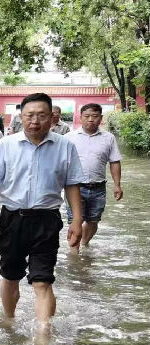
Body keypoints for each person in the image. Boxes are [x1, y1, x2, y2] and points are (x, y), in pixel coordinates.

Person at [0, 93, 85, 326]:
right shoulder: (5, 145)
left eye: (41, 115)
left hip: (47, 220)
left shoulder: (65, 146)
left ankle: (43, 336)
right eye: (29, 115)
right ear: (21, 117)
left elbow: (72, 185)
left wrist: (77, 221)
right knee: (10, 276)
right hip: (12, 218)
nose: (35, 121)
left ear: (51, 117)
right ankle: (9, 322)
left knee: (42, 280)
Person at [64, 103, 124, 247]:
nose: (90, 119)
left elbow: (114, 161)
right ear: (80, 117)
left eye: (94, 116)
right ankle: (74, 254)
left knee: (93, 221)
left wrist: (117, 185)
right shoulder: (69, 138)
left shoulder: (108, 138)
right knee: (75, 221)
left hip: (98, 187)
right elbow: (60, 163)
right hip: (75, 187)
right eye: (87, 116)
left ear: (101, 118)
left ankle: (84, 244)